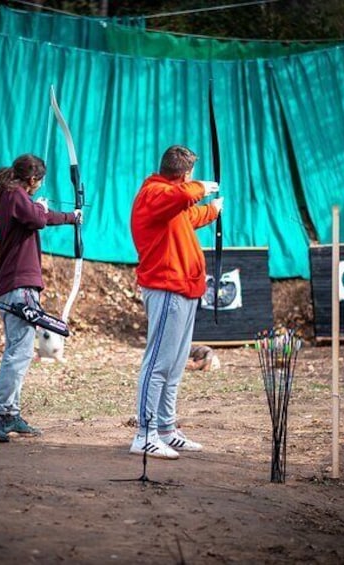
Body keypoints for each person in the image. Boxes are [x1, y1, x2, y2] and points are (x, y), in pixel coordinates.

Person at [0, 154, 81, 442]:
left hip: (16, 282)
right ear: (33, 179)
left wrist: (71, 218)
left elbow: (39, 217)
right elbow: (37, 217)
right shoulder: (14, 195)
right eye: (40, 181)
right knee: (19, 352)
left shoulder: (13, 197)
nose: (39, 186)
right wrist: (42, 208)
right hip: (19, 282)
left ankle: (9, 413)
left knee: (18, 348)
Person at [129, 145, 223, 459]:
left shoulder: (170, 200)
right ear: (183, 175)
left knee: (174, 365)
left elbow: (187, 215)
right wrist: (199, 189)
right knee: (158, 364)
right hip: (166, 287)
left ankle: (166, 428)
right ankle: (144, 433)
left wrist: (213, 210)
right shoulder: (153, 194)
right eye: (191, 177)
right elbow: (179, 199)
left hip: (184, 288)